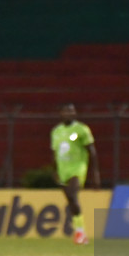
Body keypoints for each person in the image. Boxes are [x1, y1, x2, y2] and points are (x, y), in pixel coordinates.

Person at [51, 103, 101, 245]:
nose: (69, 114)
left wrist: (95, 173)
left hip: (77, 168)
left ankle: (80, 233)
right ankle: (80, 231)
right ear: (61, 113)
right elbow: (54, 153)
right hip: (63, 169)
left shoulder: (82, 129)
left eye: (72, 111)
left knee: (73, 195)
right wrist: (54, 170)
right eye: (66, 111)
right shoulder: (56, 131)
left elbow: (92, 151)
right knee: (71, 201)